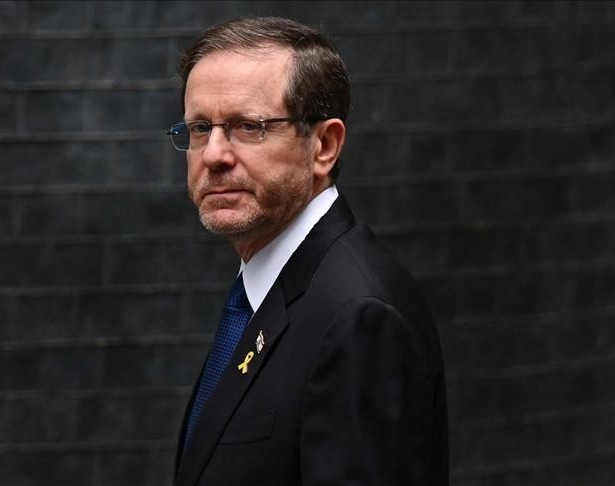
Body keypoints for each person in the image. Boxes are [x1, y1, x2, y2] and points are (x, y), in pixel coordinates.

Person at [166, 17, 448, 486]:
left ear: (324, 146)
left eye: (248, 126)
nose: (213, 154)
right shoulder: (269, 288)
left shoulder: (358, 317)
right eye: (200, 128)